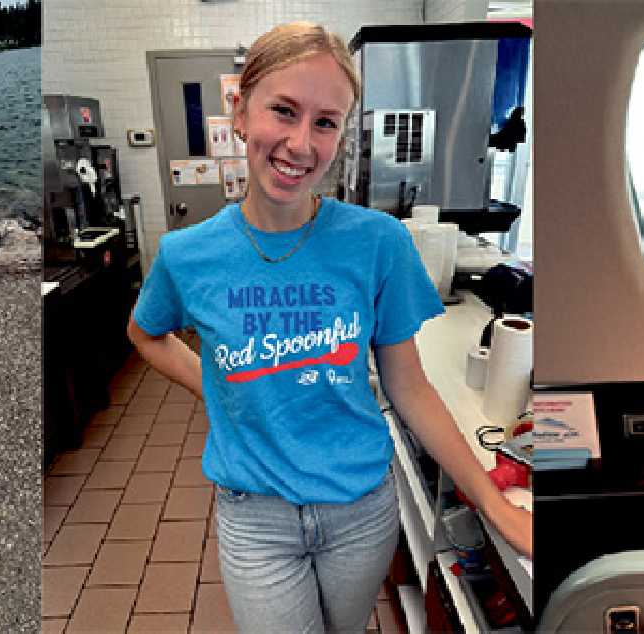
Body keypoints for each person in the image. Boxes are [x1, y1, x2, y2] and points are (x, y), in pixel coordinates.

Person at [128, 21, 533, 632]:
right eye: (283, 111)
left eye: (325, 121)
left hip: (361, 513)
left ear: (343, 132)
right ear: (239, 111)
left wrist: (494, 507)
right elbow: (144, 333)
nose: (300, 142)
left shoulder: (377, 242)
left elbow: (409, 386)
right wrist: (211, 386)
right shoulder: (187, 256)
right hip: (255, 517)